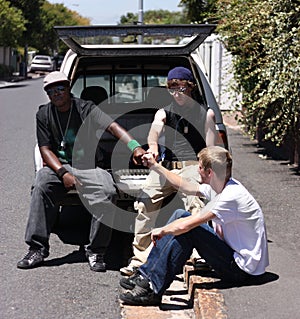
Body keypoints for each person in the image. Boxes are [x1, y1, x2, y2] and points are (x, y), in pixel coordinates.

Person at [17, 71, 145, 272]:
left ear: (69, 89)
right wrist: (62, 173)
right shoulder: (43, 114)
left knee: (108, 192)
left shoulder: (86, 108)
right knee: (41, 184)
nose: (56, 93)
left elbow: (113, 127)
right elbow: (45, 149)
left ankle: (96, 251)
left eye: (60, 88)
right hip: (60, 166)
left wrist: (135, 147)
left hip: (90, 166)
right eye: (51, 91)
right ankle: (37, 248)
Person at [119, 146, 269, 306]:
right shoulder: (223, 185)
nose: (197, 171)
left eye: (199, 167)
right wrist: (155, 166)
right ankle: (147, 275)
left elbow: (188, 225)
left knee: (189, 227)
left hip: (241, 270)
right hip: (235, 257)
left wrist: (161, 230)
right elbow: (186, 186)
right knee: (179, 214)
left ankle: (151, 288)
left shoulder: (230, 197)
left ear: (209, 172)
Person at [120, 66, 218, 275]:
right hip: (167, 167)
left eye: (182, 88)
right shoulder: (164, 111)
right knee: (145, 201)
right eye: (173, 88)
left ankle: (199, 255)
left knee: (196, 203)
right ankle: (140, 259)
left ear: (190, 88)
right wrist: (153, 148)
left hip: (193, 165)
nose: (177, 93)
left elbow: (212, 149)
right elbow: (155, 130)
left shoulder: (205, 113)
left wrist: (210, 175)